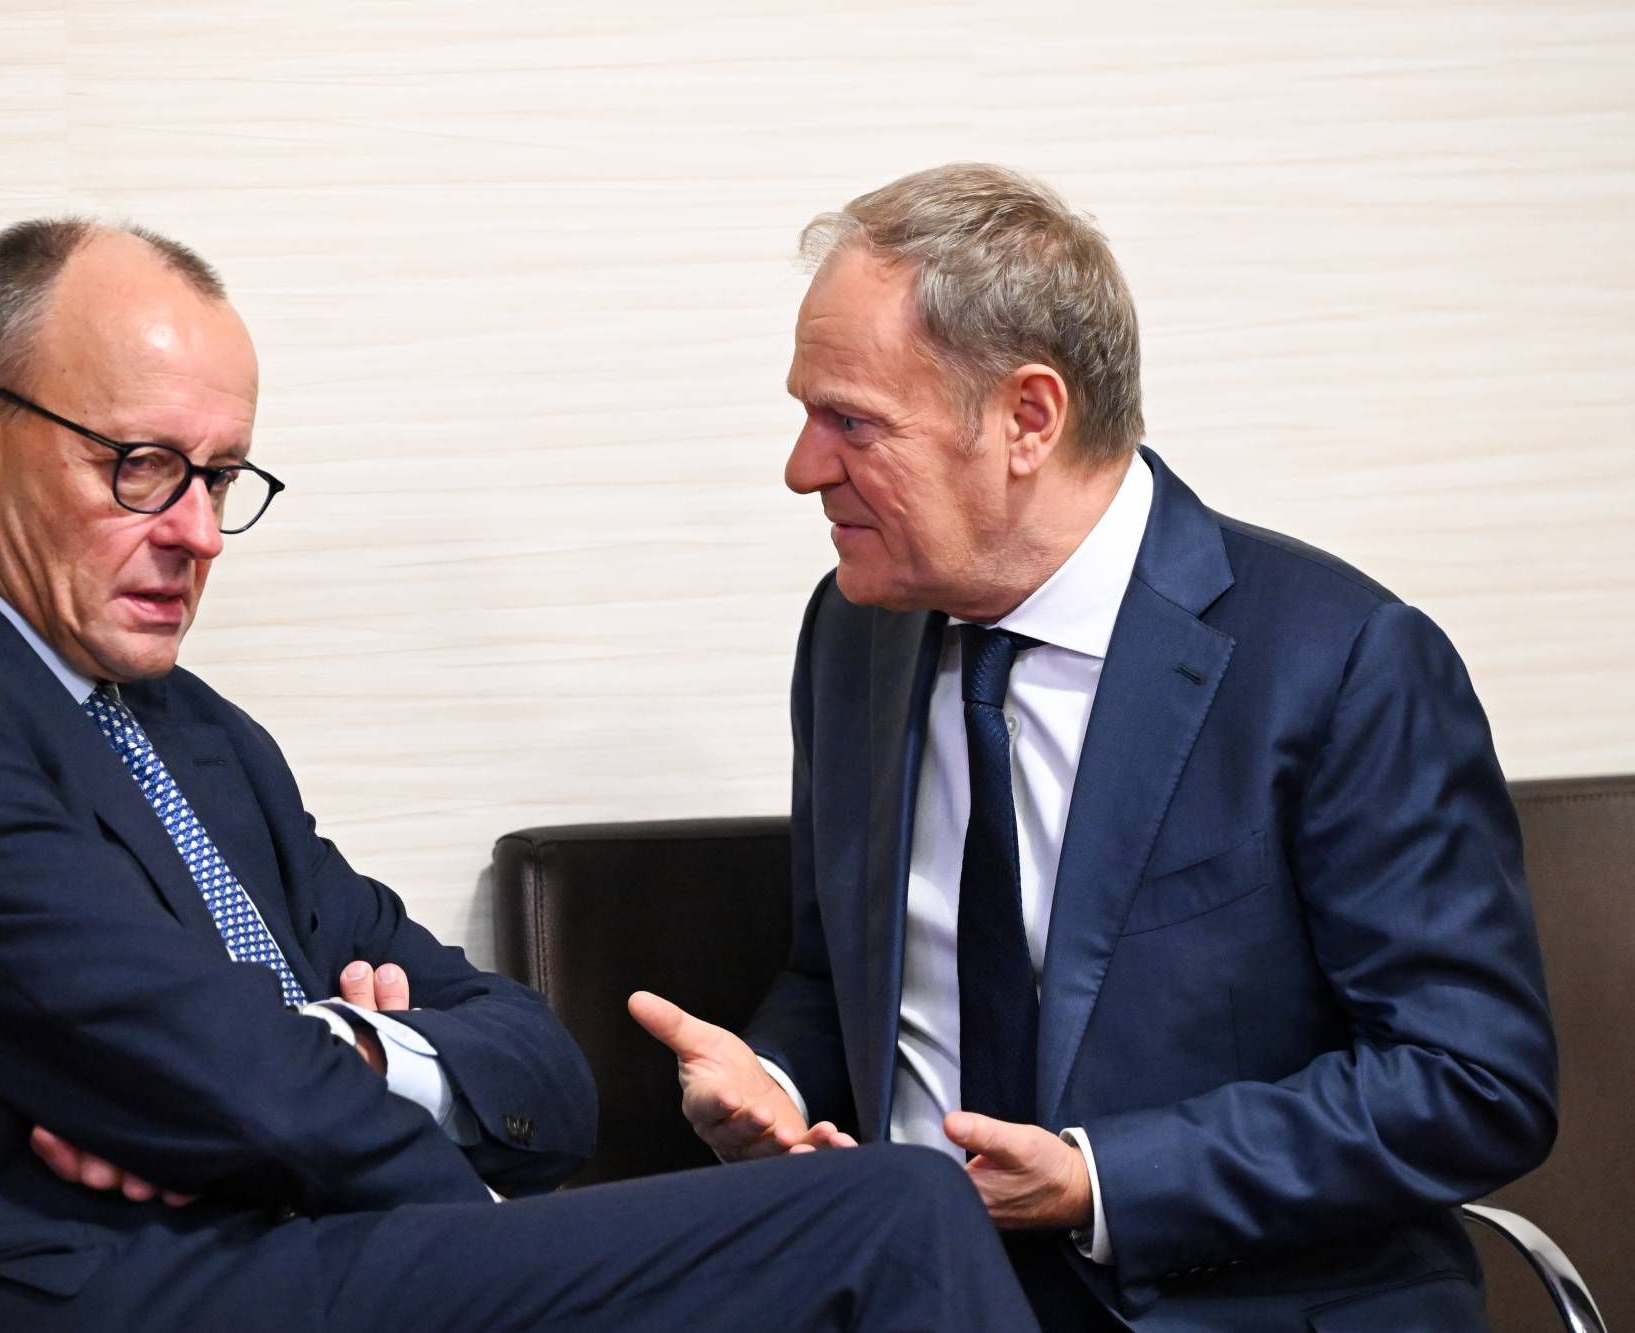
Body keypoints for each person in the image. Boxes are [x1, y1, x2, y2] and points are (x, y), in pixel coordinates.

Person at [0, 219, 1038, 1332]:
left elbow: (539, 1069)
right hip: (82, 1288)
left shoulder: (194, 734)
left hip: (272, 1253)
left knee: (877, 1215)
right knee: (891, 1212)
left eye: (221, 477)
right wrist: (427, 1173)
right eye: (143, 468)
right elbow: (210, 1072)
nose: (198, 533)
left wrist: (346, 1046)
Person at [632, 164, 1558, 1331]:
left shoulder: (1334, 661)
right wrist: (770, 1081)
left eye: (851, 423)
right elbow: (841, 975)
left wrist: (1099, 1179)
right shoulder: (854, 632)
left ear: (1027, 418)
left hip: (1234, 1302)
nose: (802, 467)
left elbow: (1470, 1082)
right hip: (915, 1289)